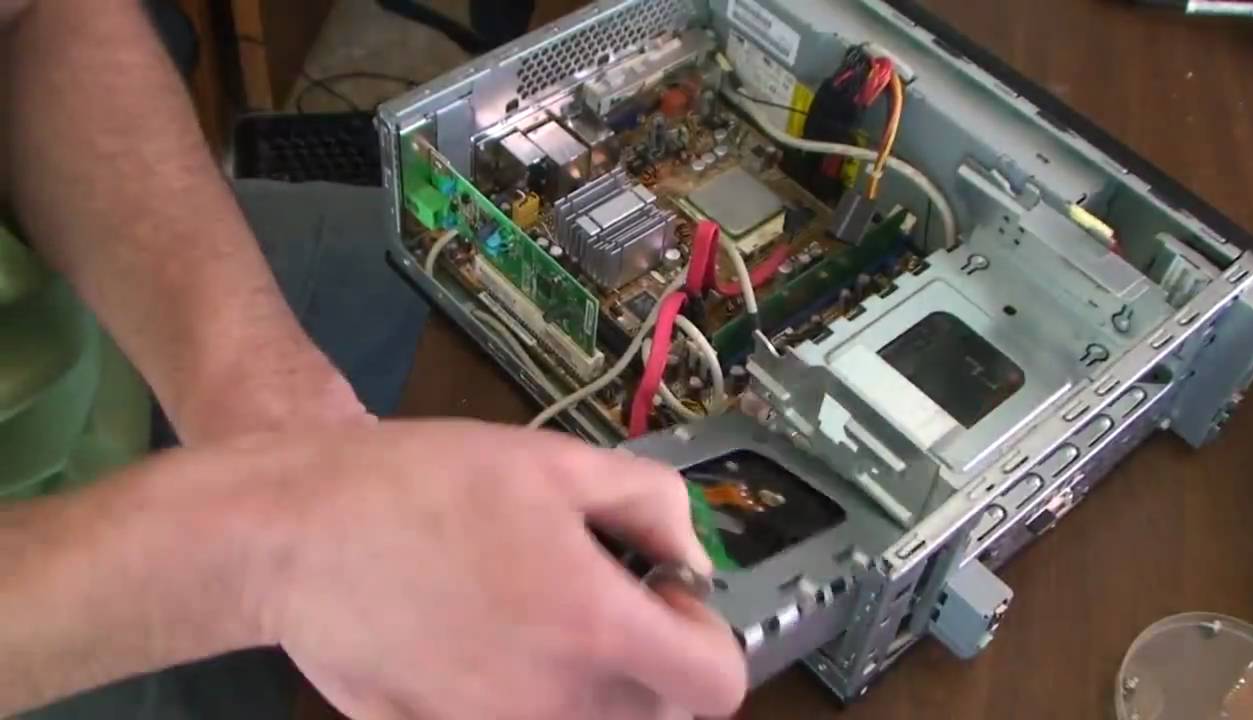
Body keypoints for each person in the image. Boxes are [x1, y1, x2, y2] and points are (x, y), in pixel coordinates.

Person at [0, 2, 747, 719]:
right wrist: (270, 552)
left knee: (431, 268)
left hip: (76, 308)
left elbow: (38, 15)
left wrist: (280, 419)